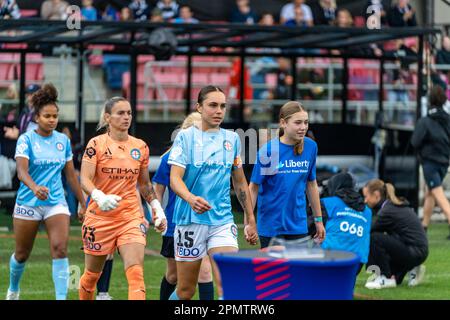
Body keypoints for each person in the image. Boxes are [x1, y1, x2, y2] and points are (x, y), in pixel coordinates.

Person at [168, 86, 258, 300]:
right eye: (213, 105)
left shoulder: (232, 139)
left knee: (229, 285)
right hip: (189, 221)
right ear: (199, 107)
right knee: (185, 291)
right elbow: (174, 179)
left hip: (222, 221)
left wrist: (250, 218)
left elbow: (239, 181)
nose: (219, 111)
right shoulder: (185, 138)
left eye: (223, 106)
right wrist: (191, 199)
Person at [78, 97, 167, 300]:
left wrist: (156, 208)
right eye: (120, 113)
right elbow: (84, 178)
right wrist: (99, 197)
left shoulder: (140, 147)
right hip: (99, 219)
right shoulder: (96, 144)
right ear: (108, 117)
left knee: (136, 275)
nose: (126, 117)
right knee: (91, 277)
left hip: (130, 217)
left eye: (129, 113)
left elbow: (144, 184)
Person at [6, 84, 86, 300]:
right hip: (28, 202)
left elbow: (71, 176)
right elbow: (21, 172)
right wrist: (34, 187)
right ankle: (13, 288)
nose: (52, 120)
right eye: (47, 116)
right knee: (22, 254)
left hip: (56, 202)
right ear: (37, 117)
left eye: (55, 116)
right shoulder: (26, 139)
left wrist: (83, 203)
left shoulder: (63, 141)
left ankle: (61, 298)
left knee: (60, 249)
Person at [154, 112, 215, 300]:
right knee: (173, 276)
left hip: (204, 222)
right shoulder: (170, 158)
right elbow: (158, 189)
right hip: (176, 225)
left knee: (205, 273)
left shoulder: (212, 157)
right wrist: (158, 214)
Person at [249, 101, 325, 249]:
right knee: (272, 272)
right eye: (298, 123)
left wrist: (318, 220)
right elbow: (253, 188)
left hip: (298, 225)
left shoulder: (311, 147)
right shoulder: (268, 151)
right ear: (283, 123)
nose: (303, 127)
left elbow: (311, 184)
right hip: (271, 226)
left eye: (306, 122)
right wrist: (249, 222)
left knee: (297, 271)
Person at [363, 179, 428, 289]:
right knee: (396, 280)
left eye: (366, 196)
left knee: (374, 238)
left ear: (376, 195)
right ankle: (411, 267)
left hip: (415, 251)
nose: (365, 200)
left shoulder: (387, 210)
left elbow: (369, 232)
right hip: (418, 250)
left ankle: (386, 278)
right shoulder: (392, 206)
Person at [411, 85, 450, 237]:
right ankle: (424, 226)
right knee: (430, 194)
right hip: (444, 162)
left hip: (430, 164)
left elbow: (415, 142)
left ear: (430, 101)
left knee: (439, 196)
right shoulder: (448, 119)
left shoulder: (425, 121)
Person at [316, 172, 372, 275]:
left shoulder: (327, 203)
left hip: (330, 257)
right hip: (356, 262)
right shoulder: (367, 211)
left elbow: (309, 228)